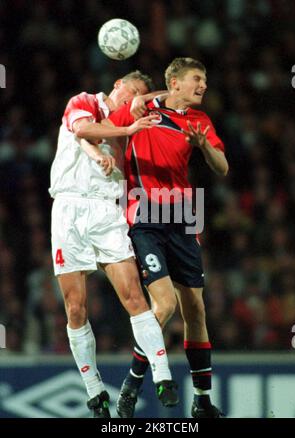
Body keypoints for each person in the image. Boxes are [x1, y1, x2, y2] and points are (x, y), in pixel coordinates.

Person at [100, 58, 229, 418]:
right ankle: (131, 383)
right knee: (165, 305)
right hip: (145, 215)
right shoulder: (143, 109)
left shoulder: (200, 121)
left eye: (204, 79)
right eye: (197, 79)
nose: (203, 85)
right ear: (174, 83)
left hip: (185, 215)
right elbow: (103, 127)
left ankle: (202, 400)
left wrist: (204, 146)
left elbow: (222, 167)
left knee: (196, 309)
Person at [49, 71, 178, 418]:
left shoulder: (129, 117)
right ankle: (95, 394)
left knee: (134, 296)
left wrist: (146, 100)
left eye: (137, 97)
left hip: (108, 210)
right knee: (75, 306)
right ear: (118, 84)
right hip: (70, 208)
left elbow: (175, 95)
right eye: (130, 92)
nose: (131, 101)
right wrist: (124, 131)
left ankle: (163, 375)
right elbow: (81, 130)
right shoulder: (85, 101)